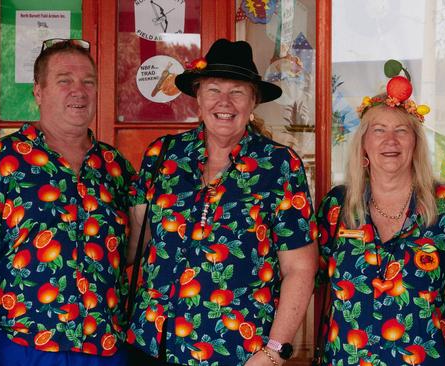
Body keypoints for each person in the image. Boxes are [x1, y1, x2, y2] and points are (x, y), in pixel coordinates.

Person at [125, 39, 318, 365]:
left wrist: (274, 351)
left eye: (238, 92)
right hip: (152, 346)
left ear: (253, 101)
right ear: (197, 98)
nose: (224, 102)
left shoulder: (279, 166)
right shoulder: (163, 155)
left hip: (239, 353)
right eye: (213, 90)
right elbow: (135, 241)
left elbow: (300, 268)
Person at [0, 39, 134, 366]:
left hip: (102, 348)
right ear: (39, 92)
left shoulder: (115, 166)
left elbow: (134, 249)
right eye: (64, 81)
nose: (79, 91)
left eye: (88, 82)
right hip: (20, 344)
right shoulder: (3, 160)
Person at [315, 62, 445, 365]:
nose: (390, 141)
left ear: (416, 142)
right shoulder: (337, 206)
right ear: (364, 144)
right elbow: (306, 277)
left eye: (401, 131)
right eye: (379, 130)